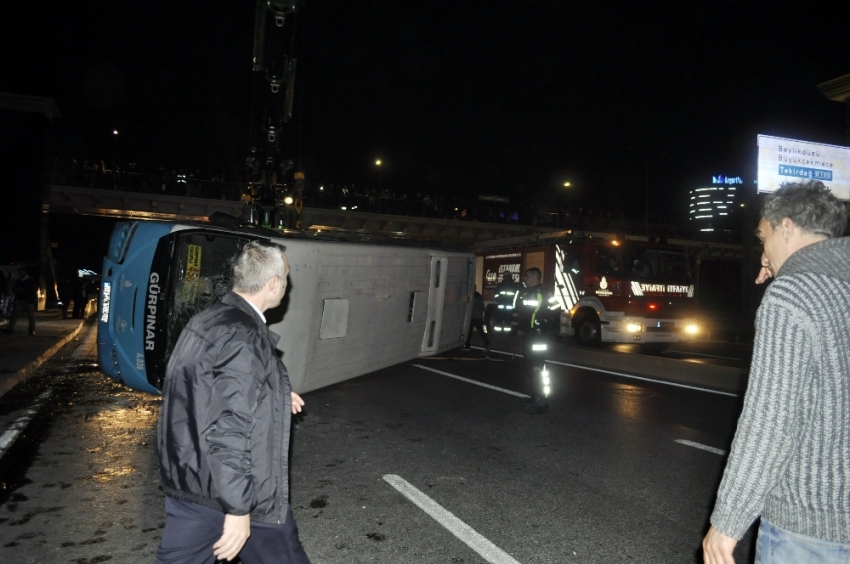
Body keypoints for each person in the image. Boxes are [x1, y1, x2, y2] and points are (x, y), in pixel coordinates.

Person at [703, 180, 850, 563]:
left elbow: (772, 421)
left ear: (786, 227)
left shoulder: (792, 296)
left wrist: (727, 523)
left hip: (812, 529)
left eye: (764, 237)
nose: (763, 251)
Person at [156, 239, 310, 564]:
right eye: (286, 277)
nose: (287, 284)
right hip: (230, 493)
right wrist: (239, 509)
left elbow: (200, 390)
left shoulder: (209, 319)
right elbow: (229, 426)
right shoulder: (245, 335)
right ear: (272, 284)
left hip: (189, 481)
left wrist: (275, 393)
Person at [514, 267, 552, 413]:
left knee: (538, 368)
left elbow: (554, 310)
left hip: (538, 335)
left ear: (535, 278)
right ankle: (535, 396)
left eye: (527, 276)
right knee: (529, 367)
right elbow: (517, 307)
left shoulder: (542, 292)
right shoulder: (526, 292)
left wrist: (543, 326)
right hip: (529, 335)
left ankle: (542, 401)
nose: (524, 278)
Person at [5, 267, 37, 335]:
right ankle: (10, 328)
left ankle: (31, 329)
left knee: (31, 316)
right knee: (14, 315)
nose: (19, 274)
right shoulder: (18, 281)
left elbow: (32, 290)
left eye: (21, 272)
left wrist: (23, 290)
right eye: (19, 272)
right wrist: (17, 290)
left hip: (28, 301)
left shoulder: (30, 280)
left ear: (25, 272)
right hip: (20, 300)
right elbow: (14, 289)